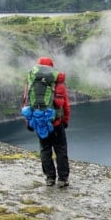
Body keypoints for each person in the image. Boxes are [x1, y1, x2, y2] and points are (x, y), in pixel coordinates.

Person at [23, 56, 72, 187]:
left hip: (40, 121)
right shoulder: (56, 80)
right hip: (56, 122)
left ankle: (50, 178)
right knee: (60, 149)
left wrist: (29, 121)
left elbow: (27, 102)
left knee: (45, 149)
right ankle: (63, 179)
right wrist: (65, 120)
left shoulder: (32, 79)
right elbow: (65, 104)